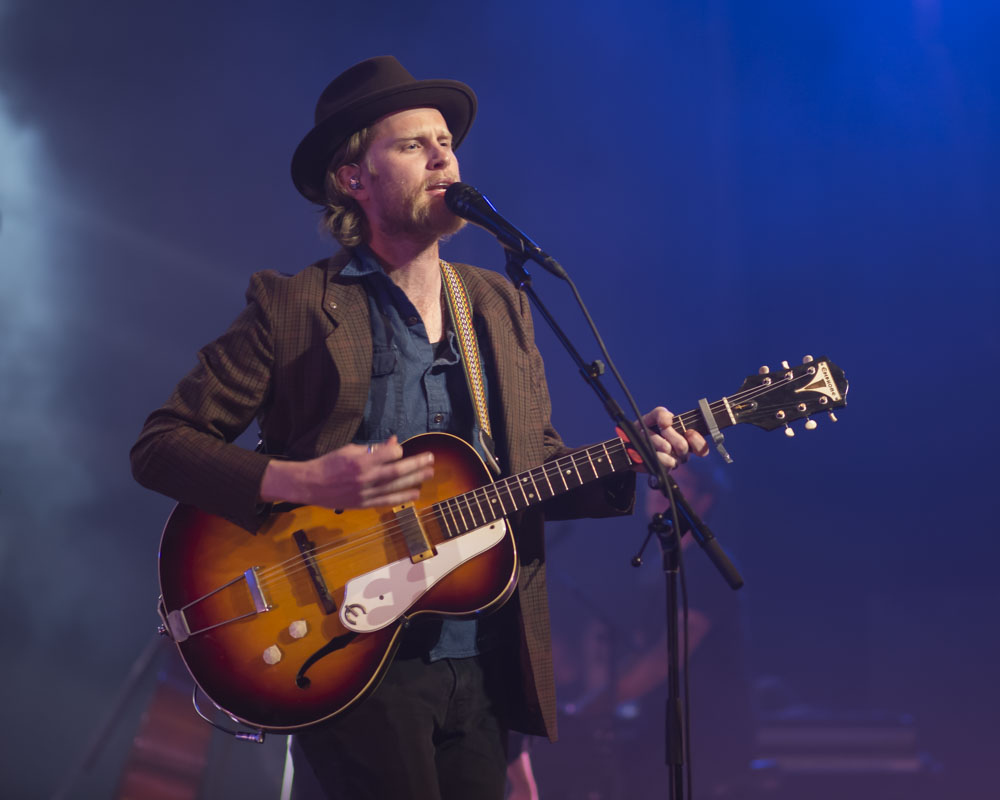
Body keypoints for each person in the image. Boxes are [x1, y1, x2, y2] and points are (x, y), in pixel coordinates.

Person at [130, 55, 707, 800]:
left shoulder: (499, 304)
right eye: (413, 144)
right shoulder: (295, 306)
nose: (443, 158)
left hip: (483, 664)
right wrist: (303, 480)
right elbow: (161, 446)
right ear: (354, 178)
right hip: (348, 656)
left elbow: (528, 471)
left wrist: (629, 456)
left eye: (447, 143)